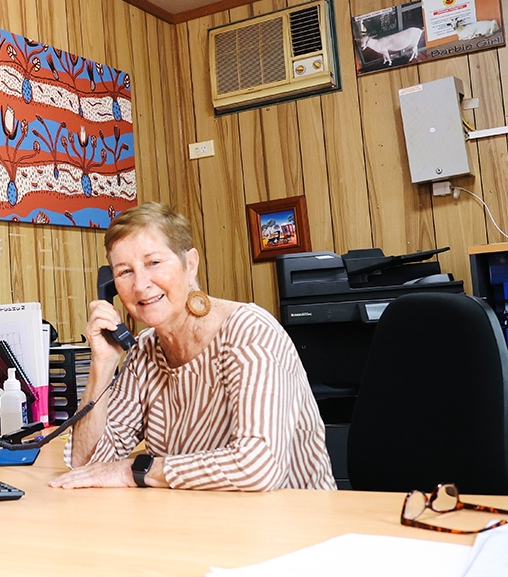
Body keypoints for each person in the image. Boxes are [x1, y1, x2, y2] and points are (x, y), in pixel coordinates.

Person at [49, 202, 336, 491]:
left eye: (154, 263)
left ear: (191, 264)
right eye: (124, 272)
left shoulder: (249, 332)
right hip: (198, 514)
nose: (140, 285)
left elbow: (257, 467)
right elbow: (86, 466)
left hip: (291, 516)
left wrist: (135, 470)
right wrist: (103, 363)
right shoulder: (145, 350)